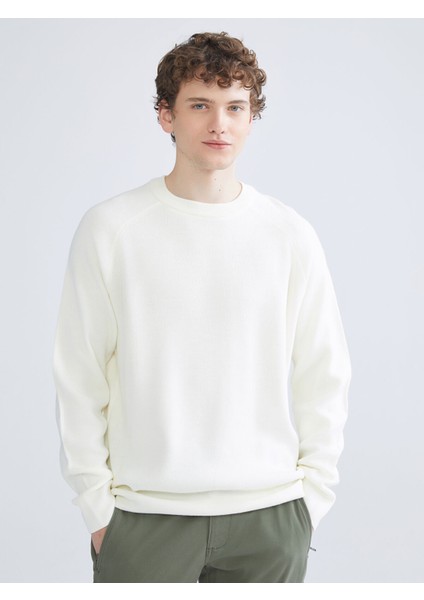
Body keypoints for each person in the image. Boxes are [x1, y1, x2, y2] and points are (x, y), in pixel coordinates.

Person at [52, 31, 352, 583]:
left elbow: (324, 371)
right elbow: (79, 376)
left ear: (251, 117)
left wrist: (311, 501)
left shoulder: (289, 234)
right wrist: (97, 508)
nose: (220, 124)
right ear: (166, 115)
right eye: (200, 105)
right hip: (144, 518)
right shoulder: (112, 229)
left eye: (235, 107)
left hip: (270, 517)